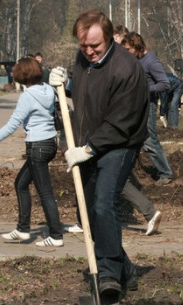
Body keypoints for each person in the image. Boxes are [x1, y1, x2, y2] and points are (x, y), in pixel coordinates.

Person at [49, 10, 150, 300]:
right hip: (89, 141)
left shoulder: (126, 68)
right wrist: (64, 84)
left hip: (120, 144)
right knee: (88, 213)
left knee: (104, 203)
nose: (89, 52)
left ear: (109, 38)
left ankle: (107, 276)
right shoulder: (84, 60)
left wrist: (88, 149)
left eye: (95, 46)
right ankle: (125, 269)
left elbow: (123, 121)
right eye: (83, 46)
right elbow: (86, 95)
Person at [0, 57, 64, 247]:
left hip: (37, 147)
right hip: (49, 145)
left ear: (21, 75)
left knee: (44, 192)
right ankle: (22, 229)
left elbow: (12, 125)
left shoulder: (28, 96)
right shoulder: (48, 89)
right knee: (21, 183)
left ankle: (56, 235)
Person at [121, 32, 173, 186]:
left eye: (129, 49)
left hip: (147, 105)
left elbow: (165, 84)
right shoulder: (135, 59)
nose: (127, 52)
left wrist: (144, 88)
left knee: (149, 140)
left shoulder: (151, 61)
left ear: (137, 46)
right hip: (135, 104)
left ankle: (165, 173)